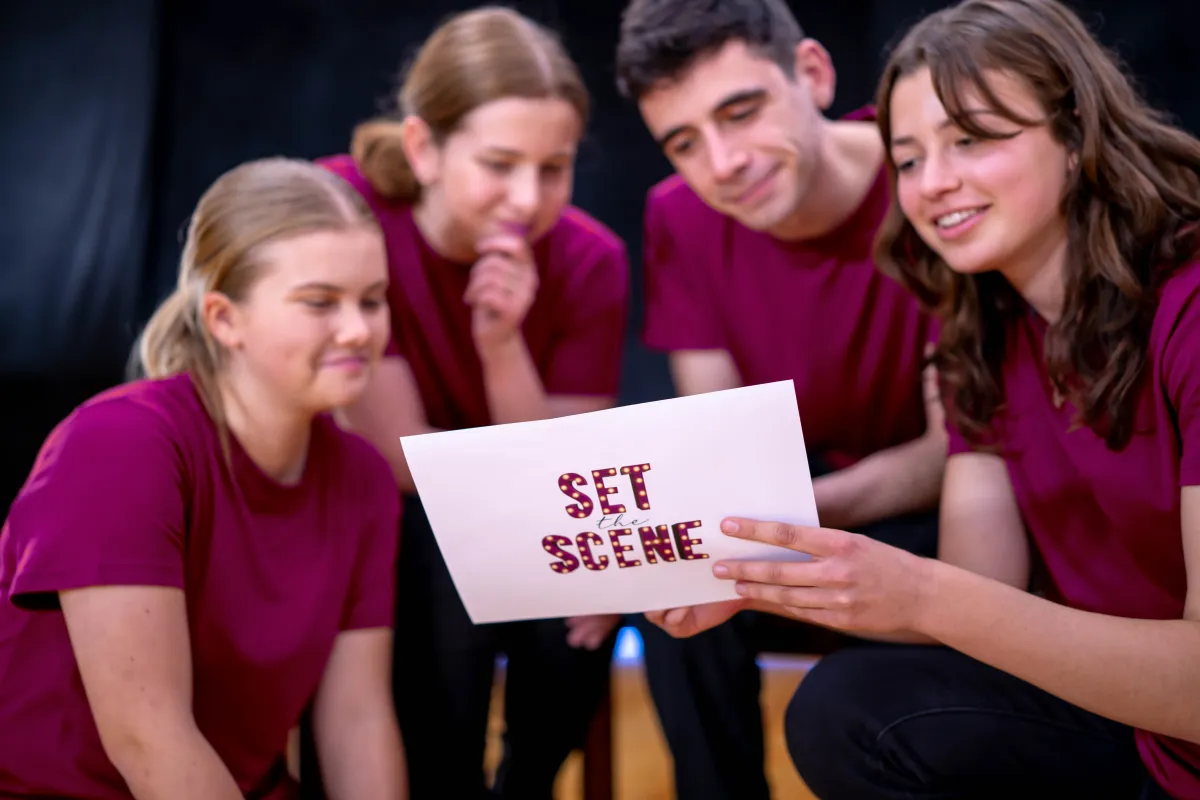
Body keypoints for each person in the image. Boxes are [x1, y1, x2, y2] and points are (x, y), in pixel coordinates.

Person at [650, 0, 1200, 798]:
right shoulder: (983, 324)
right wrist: (758, 581)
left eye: (973, 140)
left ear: (1076, 133)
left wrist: (913, 587)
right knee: (842, 709)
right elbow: (980, 590)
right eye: (907, 161)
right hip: (1123, 727)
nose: (935, 183)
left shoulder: (1185, 304)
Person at [613, 1, 944, 796]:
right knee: (676, 592)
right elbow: (721, 446)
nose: (721, 162)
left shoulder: (928, 181)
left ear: (814, 74)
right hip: (799, 514)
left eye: (741, 111)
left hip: (936, 517)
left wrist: (783, 518)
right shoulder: (680, 216)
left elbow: (959, 449)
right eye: (685, 143)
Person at [0, 157, 407, 799]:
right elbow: (147, 734)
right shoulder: (120, 444)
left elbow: (356, 721)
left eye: (373, 300)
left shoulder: (363, 478)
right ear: (224, 318)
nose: (359, 330)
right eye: (320, 303)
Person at [313, 7, 631, 799]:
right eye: (499, 163)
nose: (527, 196)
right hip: (379, 508)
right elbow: (404, 462)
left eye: (553, 168)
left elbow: (561, 479)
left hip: (515, 511)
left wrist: (500, 344)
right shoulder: (347, 210)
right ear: (423, 148)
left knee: (590, 606)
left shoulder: (590, 259)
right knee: (441, 557)